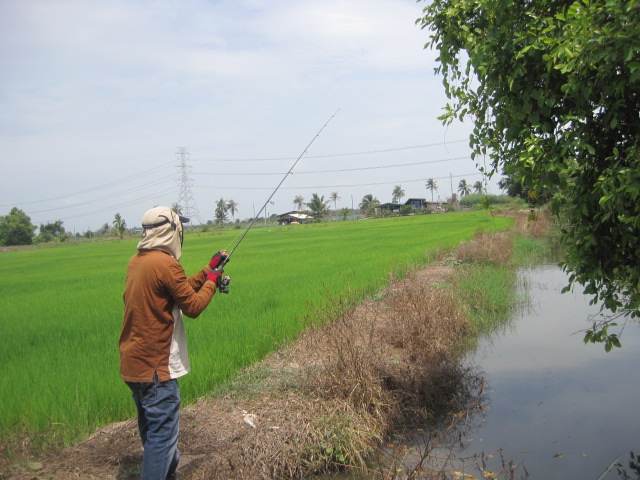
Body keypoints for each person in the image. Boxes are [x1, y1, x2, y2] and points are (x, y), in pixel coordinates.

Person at [119, 206, 229, 480]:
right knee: (162, 439)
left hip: (134, 365)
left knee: (154, 434)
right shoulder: (165, 263)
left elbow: (178, 288)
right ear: (172, 231)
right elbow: (192, 306)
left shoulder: (139, 261)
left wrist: (208, 270)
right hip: (157, 369)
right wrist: (213, 282)